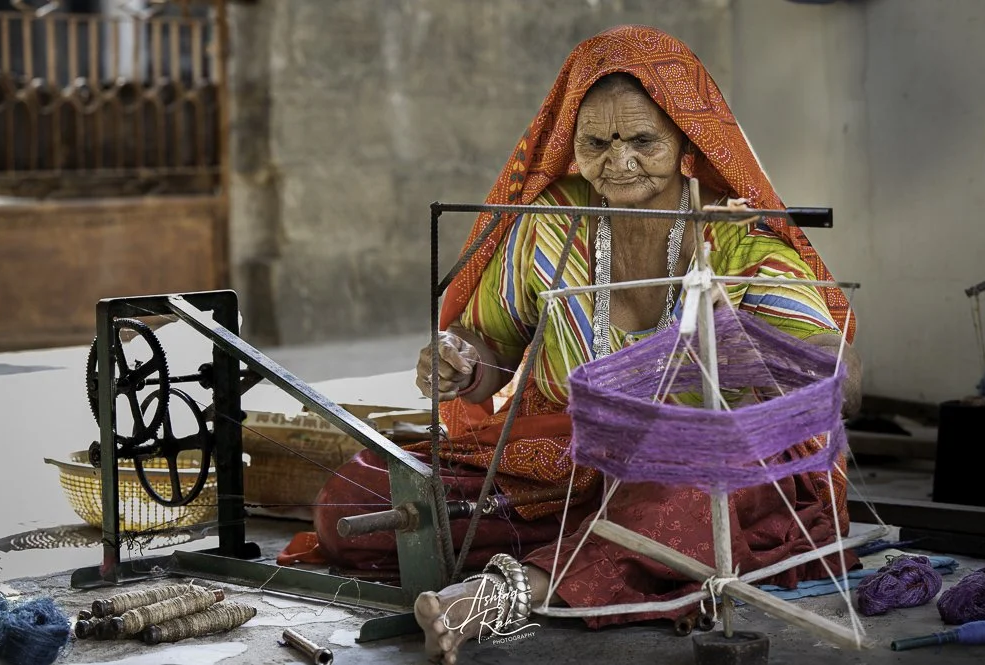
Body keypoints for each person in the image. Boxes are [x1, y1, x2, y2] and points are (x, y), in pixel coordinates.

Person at [282, 25, 863, 664]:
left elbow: (841, 389)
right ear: (571, 142)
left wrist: (726, 318)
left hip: (694, 464)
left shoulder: (743, 241)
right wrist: (461, 363)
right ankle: (594, 560)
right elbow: (489, 347)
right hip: (562, 461)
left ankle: (506, 593)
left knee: (692, 490)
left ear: (686, 143)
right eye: (597, 141)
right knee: (356, 501)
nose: (618, 160)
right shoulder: (551, 222)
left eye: (643, 139)